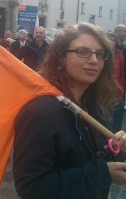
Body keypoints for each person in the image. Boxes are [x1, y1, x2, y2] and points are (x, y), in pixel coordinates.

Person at [13, 23, 126, 199]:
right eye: (83, 52)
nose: (94, 60)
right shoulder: (40, 112)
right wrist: (102, 173)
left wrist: (117, 150)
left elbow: (93, 157)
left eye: (100, 54)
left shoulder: (91, 103)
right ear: (61, 57)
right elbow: (32, 187)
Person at [106, 32, 125, 132]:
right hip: (104, 88)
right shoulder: (101, 53)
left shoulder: (119, 54)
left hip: (116, 89)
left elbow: (121, 73)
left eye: (113, 40)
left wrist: (122, 89)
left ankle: (115, 136)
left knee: (119, 110)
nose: (111, 42)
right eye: (109, 39)